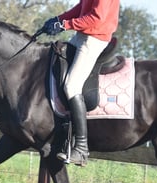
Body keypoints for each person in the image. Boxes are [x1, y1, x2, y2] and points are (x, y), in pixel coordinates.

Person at [42, 0, 120, 166]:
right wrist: (58, 19)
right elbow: (81, 8)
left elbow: (96, 19)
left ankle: (81, 149)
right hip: (81, 36)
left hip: (95, 39)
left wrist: (64, 25)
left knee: (72, 86)